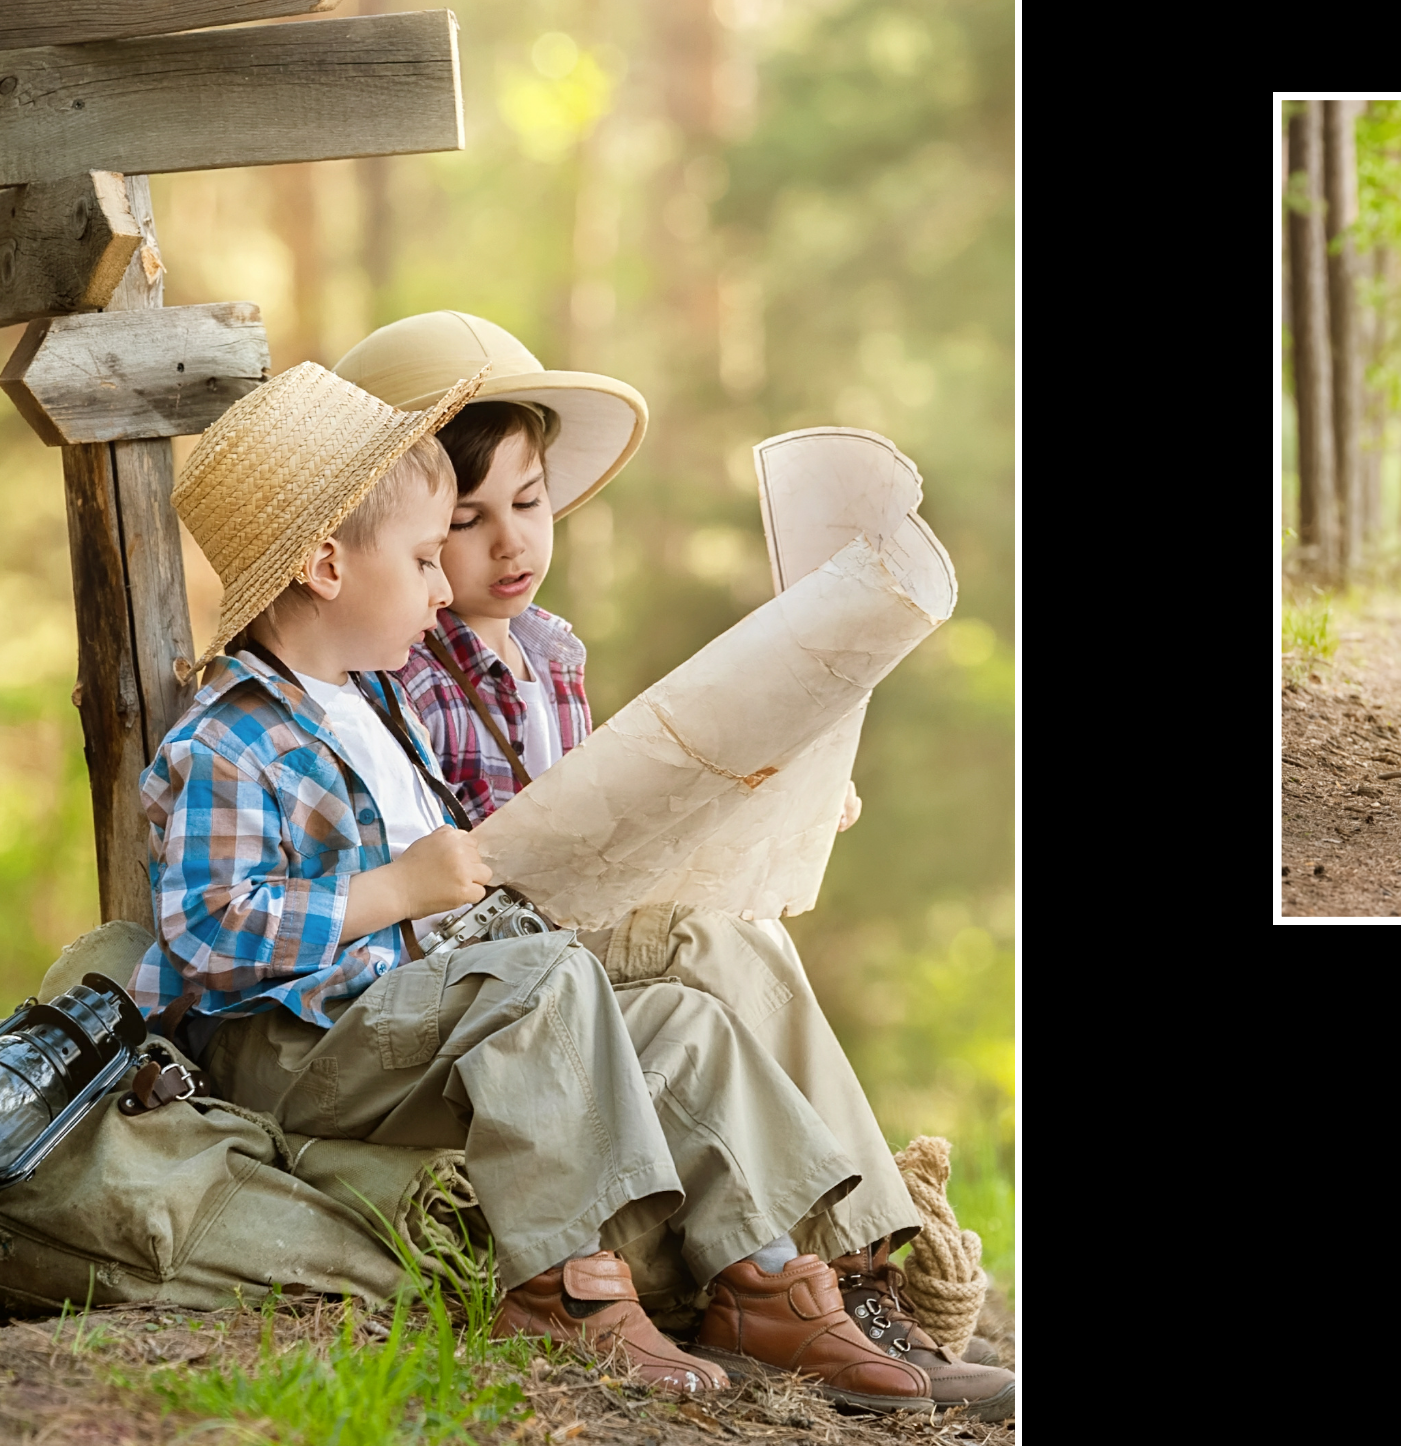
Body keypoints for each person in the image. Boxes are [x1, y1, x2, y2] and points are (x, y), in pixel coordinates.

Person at [131, 360, 935, 1414]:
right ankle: (565, 1286)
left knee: (686, 1022)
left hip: (415, 1016)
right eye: (426, 557)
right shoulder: (231, 740)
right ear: (326, 565)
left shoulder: (369, 706)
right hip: (301, 1046)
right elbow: (208, 936)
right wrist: (396, 889)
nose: (440, 590)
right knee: (545, 978)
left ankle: (767, 1279)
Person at [334, 312, 1011, 1420]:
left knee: (743, 930)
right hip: (494, 960)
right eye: (462, 523)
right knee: (703, 940)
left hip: (571, 919)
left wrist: (766, 804)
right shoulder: (395, 667)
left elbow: (604, 812)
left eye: (529, 503)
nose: (510, 545)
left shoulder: (550, 651)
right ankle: (821, 1272)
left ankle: (845, 1270)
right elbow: (468, 857)